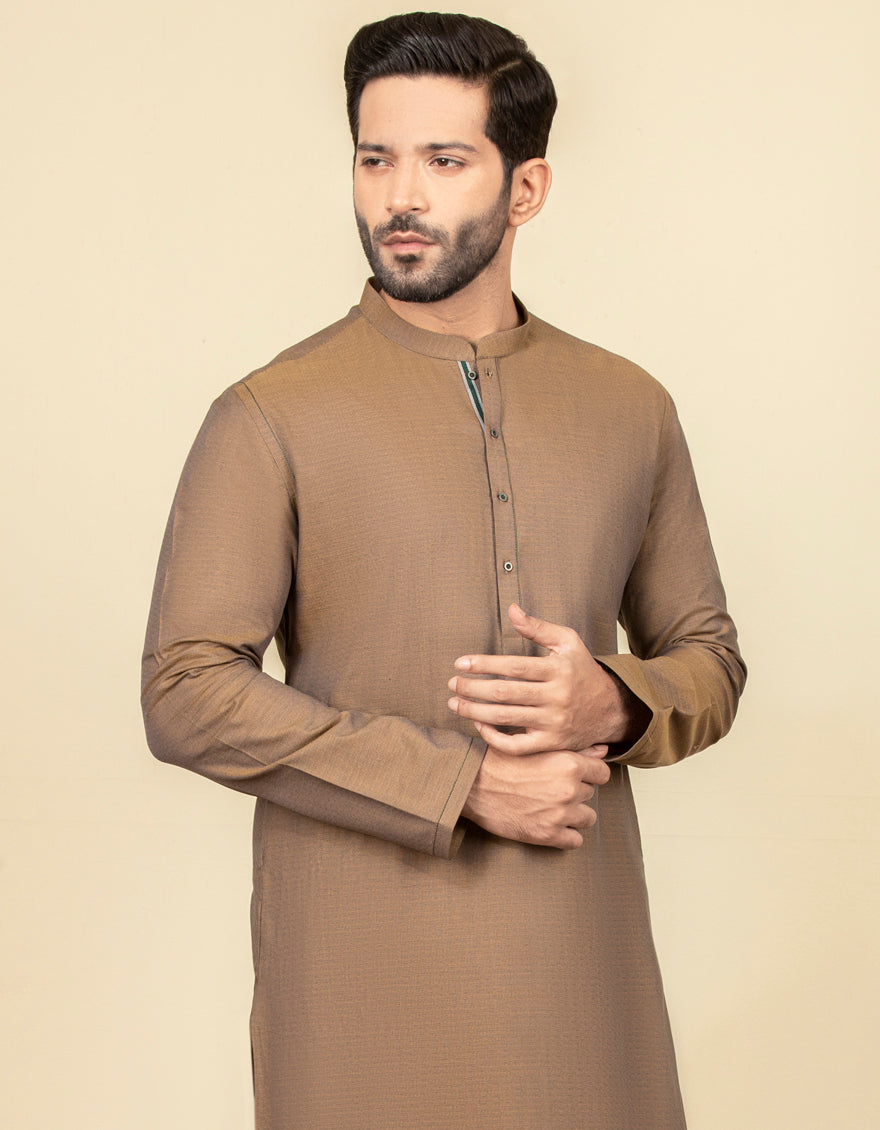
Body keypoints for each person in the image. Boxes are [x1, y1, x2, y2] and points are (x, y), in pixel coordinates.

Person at [142, 12, 745, 1129]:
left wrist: (614, 699)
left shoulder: (629, 407)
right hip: (360, 979)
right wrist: (459, 782)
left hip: (583, 973)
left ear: (527, 189)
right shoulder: (272, 413)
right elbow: (185, 689)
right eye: (376, 160)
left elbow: (708, 659)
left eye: (444, 160)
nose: (400, 197)